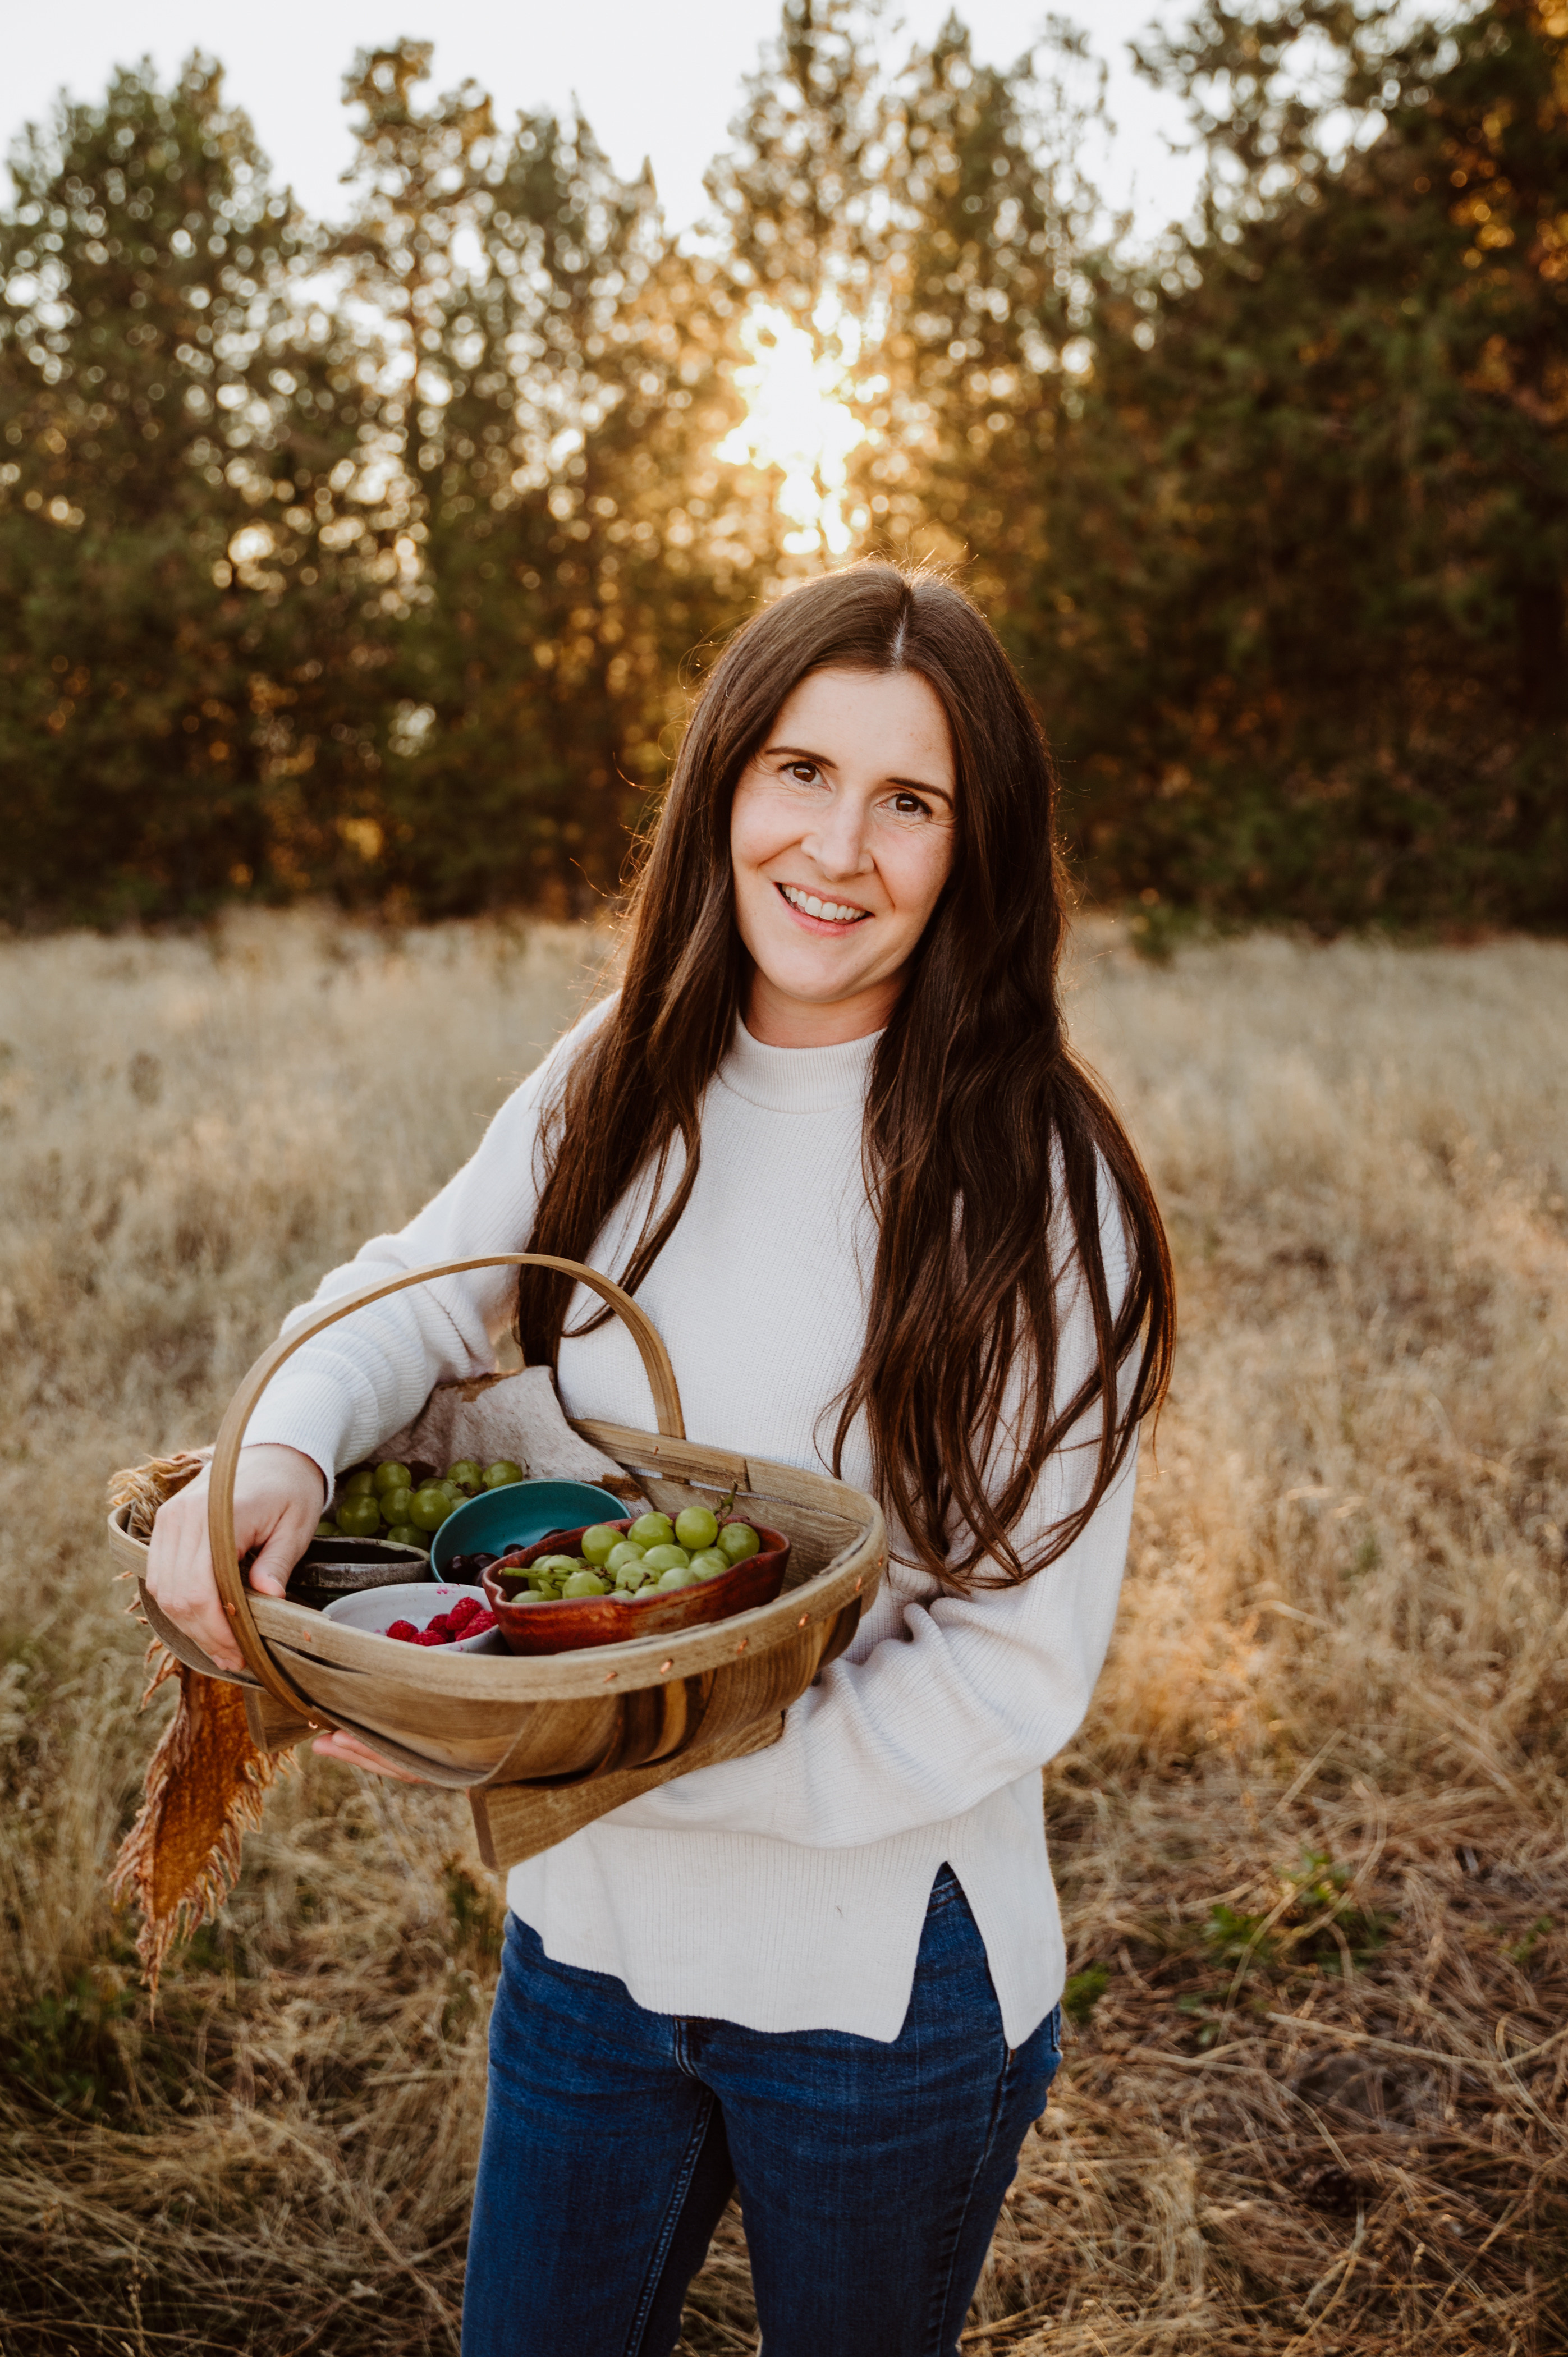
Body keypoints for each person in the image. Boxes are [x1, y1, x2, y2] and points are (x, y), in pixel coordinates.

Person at [147, 561, 1175, 2357]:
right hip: (591, 1954)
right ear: (723, 782)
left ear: (978, 848)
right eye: (801, 771)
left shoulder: (1036, 1182)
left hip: (876, 1987)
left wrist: (583, 1760)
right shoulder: (617, 1070)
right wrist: (285, 1448)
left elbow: (1010, 1671)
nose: (836, 849)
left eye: (910, 800)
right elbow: (418, 1292)